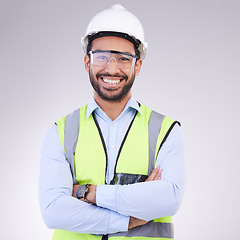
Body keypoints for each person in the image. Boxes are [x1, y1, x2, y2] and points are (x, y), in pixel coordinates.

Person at [39, 4, 186, 240]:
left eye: (123, 58)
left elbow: (169, 199)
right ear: (87, 62)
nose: (112, 68)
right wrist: (131, 216)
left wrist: (88, 193)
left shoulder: (166, 131)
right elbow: (53, 212)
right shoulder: (60, 133)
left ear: (137, 66)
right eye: (102, 57)